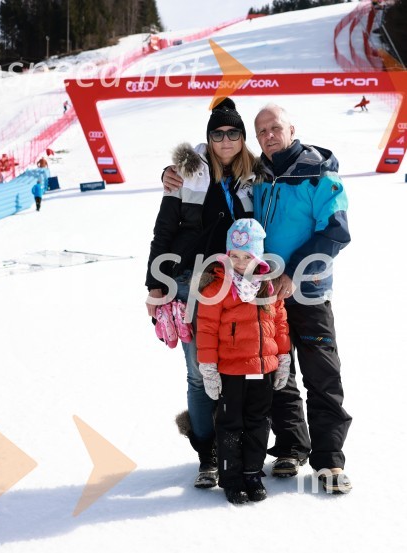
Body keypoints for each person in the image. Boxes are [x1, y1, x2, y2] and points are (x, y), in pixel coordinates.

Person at [162, 103, 354, 494]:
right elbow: (210, 164)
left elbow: (335, 232)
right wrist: (171, 173)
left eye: (275, 128)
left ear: (291, 128)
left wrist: (292, 273)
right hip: (262, 292)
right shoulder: (258, 175)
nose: (268, 135)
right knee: (276, 373)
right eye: (262, 129)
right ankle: (289, 446)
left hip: (308, 290)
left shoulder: (319, 173)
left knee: (321, 374)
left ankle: (329, 460)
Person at [146, 97, 257, 489]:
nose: (225, 140)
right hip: (189, 280)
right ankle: (206, 453)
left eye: (233, 133)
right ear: (208, 137)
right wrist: (154, 285)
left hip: (237, 283)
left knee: (234, 367)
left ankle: (236, 445)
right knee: (198, 372)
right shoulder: (187, 173)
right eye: (218, 133)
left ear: (243, 138)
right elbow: (164, 230)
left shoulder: (253, 177)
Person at [196, 218, 292, 504]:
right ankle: (231, 477)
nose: (239, 262)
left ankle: (252, 472)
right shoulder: (218, 287)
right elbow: (206, 329)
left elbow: (281, 324)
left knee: (258, 423)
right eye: (234, 255)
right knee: (230, 424)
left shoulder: (268, 287)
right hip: (231, 371)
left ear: (257, 256)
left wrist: (283, 357)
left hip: (264, 370)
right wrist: (209, 368)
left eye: (246, 256)